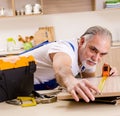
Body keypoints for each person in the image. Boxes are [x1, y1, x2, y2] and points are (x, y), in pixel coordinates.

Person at [20, 25, 118, 102]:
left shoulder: (88, 59)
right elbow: (62, 69)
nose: (96, 58)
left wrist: (104, 78)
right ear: (82, 41)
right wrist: (71, 81)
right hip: (9, 81)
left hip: (30, 90)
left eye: (102, 54)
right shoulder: (64, 48)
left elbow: (89, 81)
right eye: (93, 50)